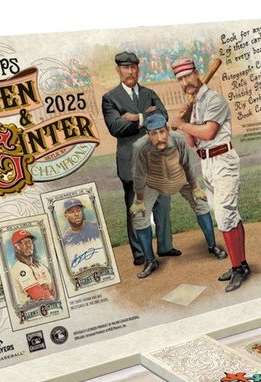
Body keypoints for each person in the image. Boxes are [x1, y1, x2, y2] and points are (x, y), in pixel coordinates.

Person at [169, 57, 249, 292]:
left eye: (187, 76)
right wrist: (185, 120)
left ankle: (237, 269)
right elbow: (193, 142)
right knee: (228, 215)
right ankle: (241, 265)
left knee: (224, 216)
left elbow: (209, 132)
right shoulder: (195, 104)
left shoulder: (214, 99)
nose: (185, 82)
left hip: (223, 160)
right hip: (207, 163)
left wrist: (181, 124)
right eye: (180, 79)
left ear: (196, 73)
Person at [101, 51, 177, 265]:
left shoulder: (149, 93)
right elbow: (116, 127)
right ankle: (141, 253)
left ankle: (165, 246)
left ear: (138, 69)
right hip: (131, 162)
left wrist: (136, 117)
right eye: (125, 68)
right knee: (135, 207)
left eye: (133, 67)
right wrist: (148, 117)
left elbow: (163, 116)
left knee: (163, 202)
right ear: (118, 70)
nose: (130, 71)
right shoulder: (110, 98)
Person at [130, 112, 226, 279]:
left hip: (180, 177)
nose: (159, 137)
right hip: (153, 182)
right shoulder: (140, 147)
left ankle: (212, 247)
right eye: (154, 133)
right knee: (139, 216)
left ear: (167, 129)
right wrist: (139, 200)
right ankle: (150, 261)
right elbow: (138, 174)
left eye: (162, 132)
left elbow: (188, 165)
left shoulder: (179, 139)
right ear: (148, 134)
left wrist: (195, 188)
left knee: (201, 203)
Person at [8, 230, 55, 305]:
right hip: (32, 308)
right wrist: (47, 288)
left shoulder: (41, 266)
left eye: (29, 241)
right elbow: (38, 295)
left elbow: (55, 290)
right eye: (22, 243)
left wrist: (49, 287)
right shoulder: (19, 268)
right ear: (17, 248)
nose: (28, 245)